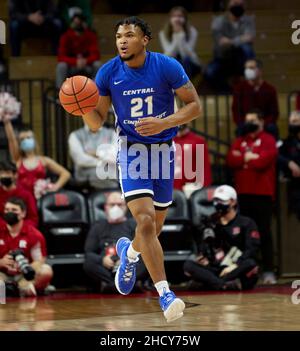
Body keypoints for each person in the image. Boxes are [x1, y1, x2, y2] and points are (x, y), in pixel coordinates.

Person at [76, 16, 202, 322]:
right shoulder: (108, 72)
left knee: (152, 230)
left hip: (163, 152)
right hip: (131, 152)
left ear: (144, 39)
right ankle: (165, 293)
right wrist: (79, 106)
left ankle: (129, 255)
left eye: (129, 35)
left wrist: (165, 121)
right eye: (118, 35)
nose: (122, 40)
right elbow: (96, 122)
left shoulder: (166, 66)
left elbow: (194, 106)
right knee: (144, 221)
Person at [227, 110, 278, 284]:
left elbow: (263, 161)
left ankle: (269, 270)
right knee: (243, 235)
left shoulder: (269, 140)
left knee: (264, 233)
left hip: (262, 194)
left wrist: (244, 158)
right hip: (243, 194)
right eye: (247, 120)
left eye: (253, 120)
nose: (250, 123)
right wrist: (248, 158)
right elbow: (231, 160)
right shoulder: (240, 140)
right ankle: (245, 270)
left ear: (261, 121)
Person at [184, 185, 260, 290]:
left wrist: (236, 265)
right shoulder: (211, 222)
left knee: (251, 264)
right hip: (216, 267)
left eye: (222, 201)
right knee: (188, 265)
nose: (217, 204)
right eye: (215, 200)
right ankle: (223, 284)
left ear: (233, 202)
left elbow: (251, 249)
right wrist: (203, 257)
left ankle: (209, 283)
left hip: (236, 267)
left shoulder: (246, 223)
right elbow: (204, 247)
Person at [83, 192, 147, 292]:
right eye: (112, 204)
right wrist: (102, 260)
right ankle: (121, 285)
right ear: (106, 207)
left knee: (146, 259)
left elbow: (142, 248)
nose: (116, 207)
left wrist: (126, 260)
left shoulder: (133, 224)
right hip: (106, 266)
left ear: (126, 207)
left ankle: (110, 286)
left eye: (120, 204)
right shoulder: (98, 226)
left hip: (128, 264)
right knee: (89, 262)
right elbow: (89, 252)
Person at [2, 118, 71, 198]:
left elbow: (66, 174)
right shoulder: (18, 159)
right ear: (19, 143)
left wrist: (55, 187)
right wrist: (7, 122)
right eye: (22, 139)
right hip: (22, 198)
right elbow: (11, 139)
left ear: (34, 140)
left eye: (28, 137)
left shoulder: (44, 160)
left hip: (40, 198)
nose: (26, 140)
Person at [0, 197, 53, 297]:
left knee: (46, 271)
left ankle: (24, 287)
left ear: (23, 213)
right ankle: (7, 290)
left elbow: (39, 260)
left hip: (23, 274)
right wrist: (1, 262)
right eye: (7, 210)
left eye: (14, 210)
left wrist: (25, 268)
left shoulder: (34, 234)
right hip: (1, 273)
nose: (9, 212)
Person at [204, 0, 255, 92]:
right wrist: (240, 39)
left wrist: (230, 41)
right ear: (228, 5)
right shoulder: (218, 20)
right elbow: (221, 42)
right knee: (209, 72)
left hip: (241, 59)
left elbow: (250, 38)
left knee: (247, 48)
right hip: (223, 57)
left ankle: (249, 87)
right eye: (235, 3)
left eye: (240, 4)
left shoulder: (248, 20)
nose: (238, 6)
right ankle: (227, 91)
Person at [232, 59, 279, 139]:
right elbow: (236, 110)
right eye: (246, 68)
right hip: (246, 122)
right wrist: (247, 122)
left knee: (272, 128)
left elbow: (274, 112)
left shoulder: (270, 89)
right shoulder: (239, 88)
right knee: (240, 129)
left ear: (259, 70)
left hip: (264, 123)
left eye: (251, 68)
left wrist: (262, 123)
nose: (247, 71)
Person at [56, 13, 101, 88]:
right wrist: (75, 61)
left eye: (80, 22)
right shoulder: (65, 36)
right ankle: (59, 94)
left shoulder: (90, 35)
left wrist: (85, 61)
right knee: (61, 66)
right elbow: (61, 57)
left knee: (98, 64)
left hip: (87, 65)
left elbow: (96, 55)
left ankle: (97, 91)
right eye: (75, 23)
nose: (78, 25)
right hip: (71, 66)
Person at [68, 122, 119, 189]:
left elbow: (115, 157)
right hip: (84, 181)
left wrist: (94, 153)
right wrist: (105, 157)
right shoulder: (75, 135)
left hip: (112, 178)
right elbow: (80, 160)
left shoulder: (112, 134)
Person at [159, 6, 202, 79]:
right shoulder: (163, 33)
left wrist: (181, 36)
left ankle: (184, 88)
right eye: (174, 16)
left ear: (185, 18)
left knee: (185, 62)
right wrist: (176, 37)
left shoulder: (192, 31)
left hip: (191, 63)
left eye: (180, 16)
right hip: (173, 63)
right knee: (172, 64)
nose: (177, 19)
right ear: (170, 19)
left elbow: (185, 55)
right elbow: (168, 55)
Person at [173, 124, 212, 194]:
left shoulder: (197, 141)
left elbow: (204, 166)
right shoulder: (168, 140)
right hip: (170, 185)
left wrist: (205, 186)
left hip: (189, 187)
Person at [0, 161, 38, 227]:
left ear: (15, 175)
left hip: (23, 230)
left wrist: (19, 227)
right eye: (1, 173)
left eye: (7, 173)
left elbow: (33, 219)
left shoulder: (26, 194)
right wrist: (6, 227)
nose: (4, 176)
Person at [278, 111, 300, 219]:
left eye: (295, 121)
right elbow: (276, 156)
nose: (292, 124)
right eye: (291, 122)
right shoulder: (286, 142)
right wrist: (289, 163)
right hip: (294, 186)